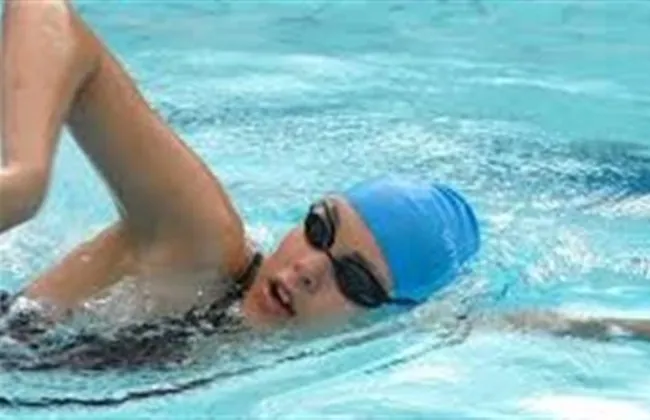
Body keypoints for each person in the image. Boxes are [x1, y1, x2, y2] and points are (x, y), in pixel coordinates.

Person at [1, 1, 648, 365]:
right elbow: (48, 17)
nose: (309, 267)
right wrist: (24, 181)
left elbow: (502, 325)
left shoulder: (386, 333)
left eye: (356, 281)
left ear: (388, 323)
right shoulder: (200, 244)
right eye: (319, 228)